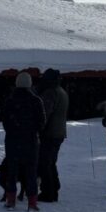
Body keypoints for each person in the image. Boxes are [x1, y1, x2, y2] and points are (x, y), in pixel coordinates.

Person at [1, 71, 46, 212]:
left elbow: (5, 121)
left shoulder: (9, 101)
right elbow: (42, 122)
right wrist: (33, 131)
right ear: (30, 84)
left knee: (12, 171)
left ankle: (11, 201)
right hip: (30, 141)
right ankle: (32, 203)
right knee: (31, 172)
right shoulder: (36, 101)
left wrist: (13, 130)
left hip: (13, 141)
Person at [37, 68, 69, 202]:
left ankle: (48, 192)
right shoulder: (62, 91)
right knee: (50, 162)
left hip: (50, 133)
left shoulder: (50, 93)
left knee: (45, 163)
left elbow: (44, 113)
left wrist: (38, 129)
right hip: (59, 132)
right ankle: (54, 187)